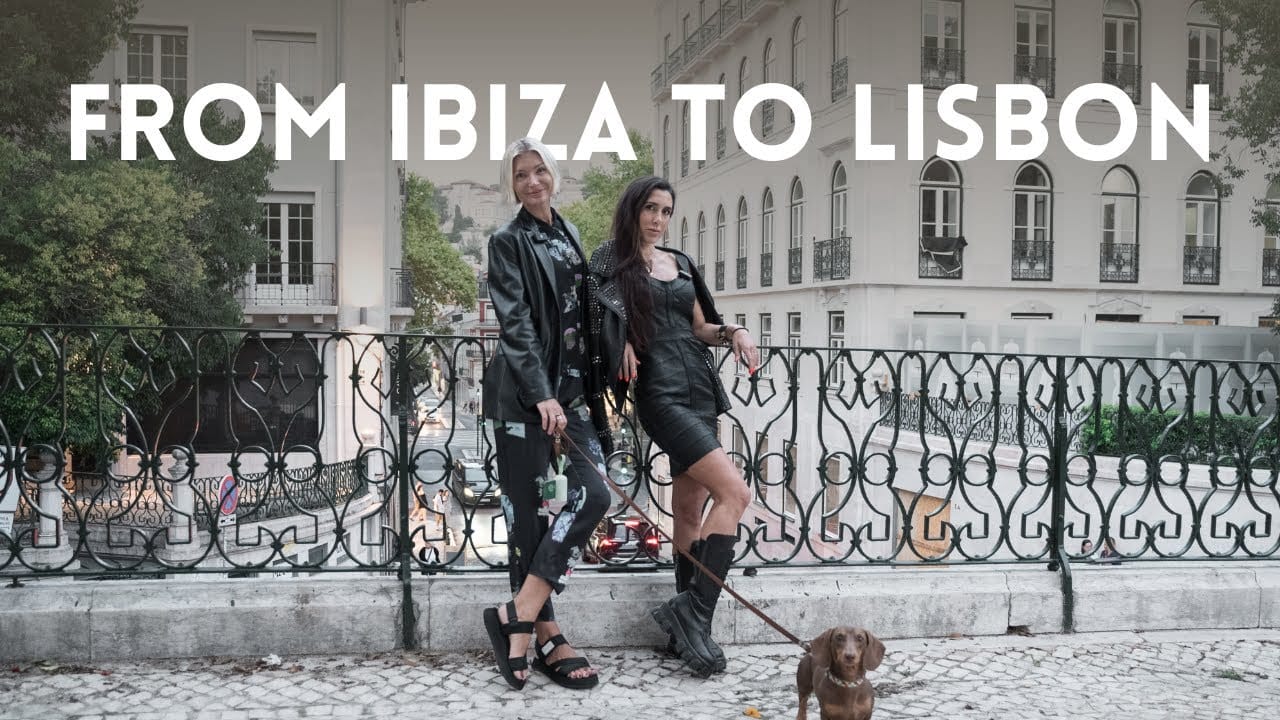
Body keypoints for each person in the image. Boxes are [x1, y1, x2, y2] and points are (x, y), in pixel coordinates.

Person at [587, 176, 758, 678]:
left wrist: (736, 331)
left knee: (688, 511)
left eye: (666, 211)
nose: (659, 219)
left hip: (701, 390)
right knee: (737, 495)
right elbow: (595, 313)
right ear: (633, 210)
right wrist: (616, 341)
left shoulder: (681, 263)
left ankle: (683, 631)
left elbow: (701, 327)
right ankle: (695, 614)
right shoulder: (610, 260)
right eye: (651, 209)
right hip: (659, 392)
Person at [480, 137, 612, 692]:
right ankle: (543, 633)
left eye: (540, 172)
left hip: (574, 393)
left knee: (595, 492)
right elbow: (516, 324)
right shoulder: (506, 241)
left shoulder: (570, 235)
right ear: (511, 185)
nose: (532, 182)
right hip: (523, 397)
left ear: (554, 175)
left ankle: (518, 611)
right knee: (527, 522)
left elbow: (584, 311)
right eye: (521, 176)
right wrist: (541, 394)